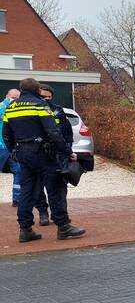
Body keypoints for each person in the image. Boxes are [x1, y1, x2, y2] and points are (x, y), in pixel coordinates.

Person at [1, 77, 85, 242]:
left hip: (23, 155)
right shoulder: (40, 105)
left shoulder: (11, 108)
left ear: (22, 90)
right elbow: (53, 132)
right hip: (44, 154)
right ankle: (63, 227)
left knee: (27, 192)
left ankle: (25, 230)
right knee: (55, 189)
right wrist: (68, 151)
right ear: (37, 90)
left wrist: (15, 151)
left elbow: (6, 134)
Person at [32, 84, 73, 226]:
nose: (46, 99)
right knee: (37, 187)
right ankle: (43, 212)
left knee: (60, 187)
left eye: (49, 97)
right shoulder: (32, 110)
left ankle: (61, 215)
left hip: (58, 154)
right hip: (38, 153)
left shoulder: (58, 110)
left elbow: (67, 132)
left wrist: (68, 151)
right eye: (43, 97)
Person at [0, 89, 21, 207]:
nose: (14, 99)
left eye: (17, 98)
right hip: (1, 146)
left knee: (18, 172)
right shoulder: (1, 107)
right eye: (13, 97)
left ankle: (17, 199)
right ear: (6, 96)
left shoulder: (19, 109)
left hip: (13, 147)